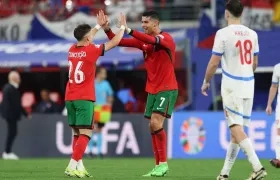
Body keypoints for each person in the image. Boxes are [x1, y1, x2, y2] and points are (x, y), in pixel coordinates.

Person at [101, 10, 178, 177]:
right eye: (142, 22)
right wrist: (107, 29)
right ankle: (158, 165)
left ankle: (163, 164)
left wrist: (128, 30)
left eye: (146, 23)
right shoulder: (142, 42)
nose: (143, 25)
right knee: (152, 126)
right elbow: (118, 42)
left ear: (156, 24)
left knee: (157, 123)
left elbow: (152, 40)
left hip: (167, 87)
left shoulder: (167, 39)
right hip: (153, 89)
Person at [201, 1, 267, 180]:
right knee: (236, 132)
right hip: (248, 85)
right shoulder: (252, 34)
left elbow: (214, 63)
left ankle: (257, 167)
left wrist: (206, 81)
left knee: (235, 128)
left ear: (226, 13)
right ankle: (224, 174)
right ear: (242, 13)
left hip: (232, 86)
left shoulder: (222, 33)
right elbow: (254, 64)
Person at [64, 11, 126, 178]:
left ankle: (79, 167)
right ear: (88, 39)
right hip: (84, 98)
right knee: (86, 133)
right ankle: (71, 165)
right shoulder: (91, 51)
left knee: (77, 133)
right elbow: (115, 42)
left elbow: (86, 37)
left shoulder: (71, 49)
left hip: (70, 97)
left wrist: (98, 26)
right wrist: (123, 28)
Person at [1, 71, 31, 160]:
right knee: (12, 132)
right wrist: (25, 114)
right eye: (18, 77)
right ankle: (7, 152)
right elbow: (16, 104)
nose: (20, 79)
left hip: (10, 115)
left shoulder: (8, 88)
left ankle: (7, 151)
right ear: (14, 78)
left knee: (12, 132)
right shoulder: (11, 89)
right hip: (11, 115)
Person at [88, 66, 114, 158]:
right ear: (98, 74)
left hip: (102, 109)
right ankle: (90, 151)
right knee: (91, 129)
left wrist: (109, 104)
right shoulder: (92, 83)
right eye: (103, 73)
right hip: (93, 108)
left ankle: (99, 151)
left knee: (99, 130)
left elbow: (110, 95)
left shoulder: (106, 84)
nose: (105, 75)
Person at [266, 63, 280, 168]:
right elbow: (274, 86)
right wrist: (269, 104)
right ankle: (279, 158)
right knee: (279, 131)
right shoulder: (277, 67)